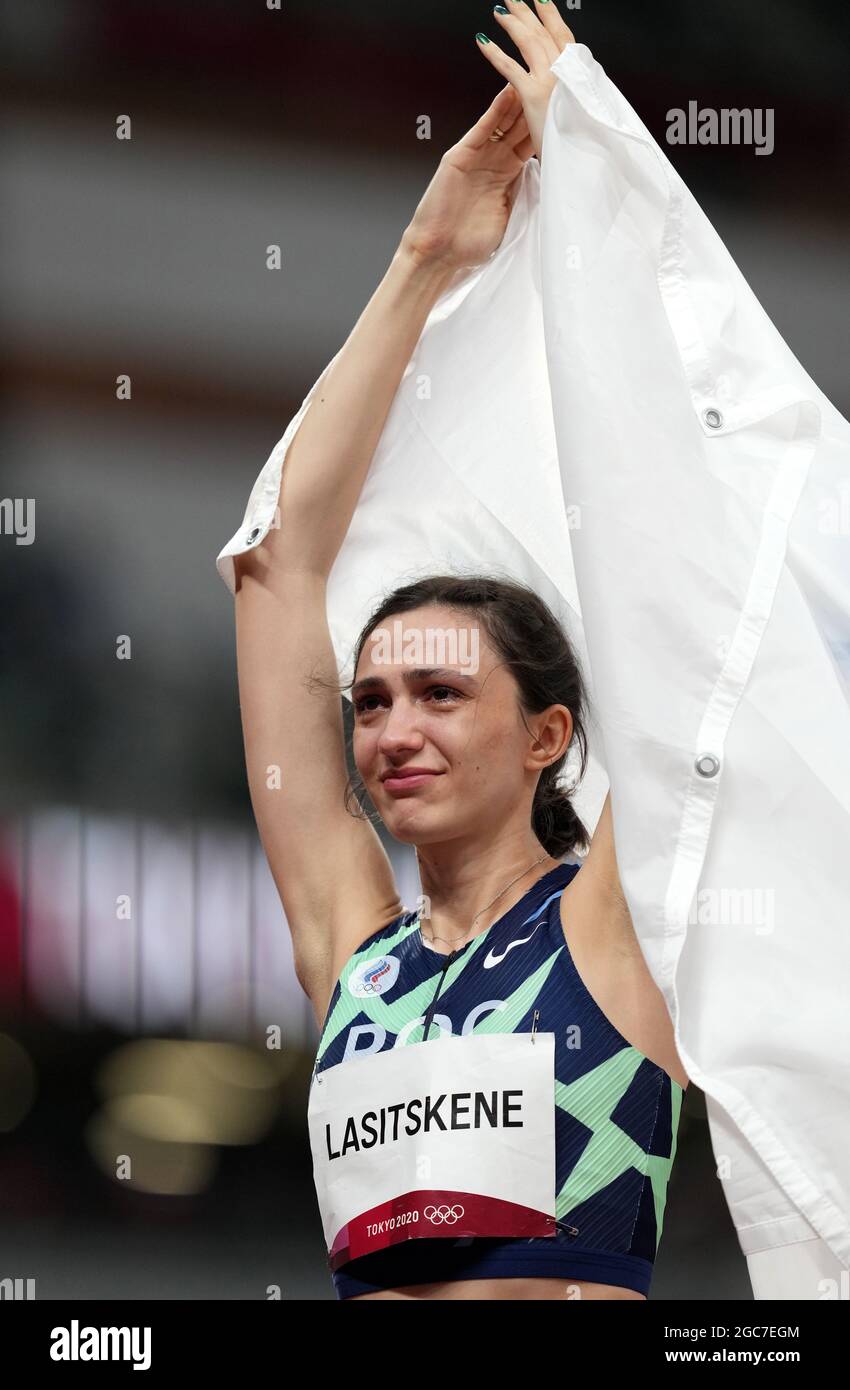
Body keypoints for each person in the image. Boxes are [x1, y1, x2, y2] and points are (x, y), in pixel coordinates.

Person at [231, 5, 688, 1301]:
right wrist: (425, 253)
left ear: (549, 732)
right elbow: (279, 570)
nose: (389, 728)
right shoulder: (352, 952)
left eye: (440, 690)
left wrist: (597, 224)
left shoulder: (609, 919)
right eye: (370, 697)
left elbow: (665, 563)